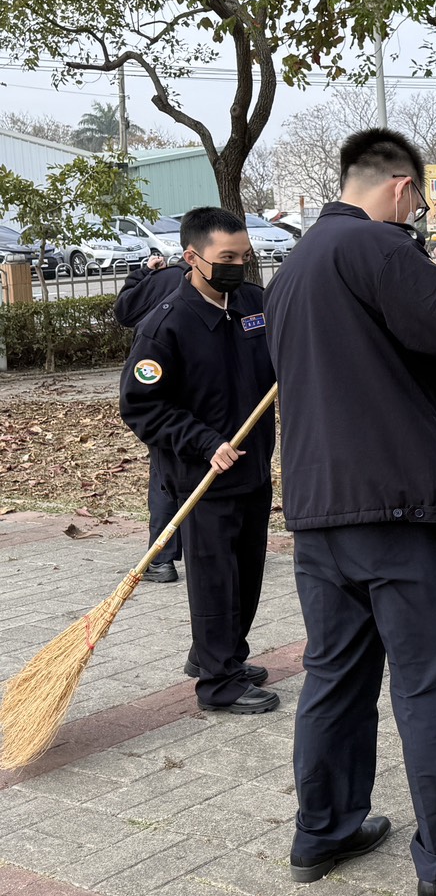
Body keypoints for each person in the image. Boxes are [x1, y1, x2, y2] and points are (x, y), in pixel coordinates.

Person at [265, 128, 436, 896]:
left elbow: (358, 371)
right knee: (430, 679)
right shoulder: (379, 248)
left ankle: (323, 829)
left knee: (334, 675)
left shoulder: (293, 267)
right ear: (402, 187)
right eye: (420, 201)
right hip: (394, 513)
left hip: (318, 508)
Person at [119, 208, 277, 714]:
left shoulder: (255, 303)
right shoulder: (167, 324)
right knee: (214, 579)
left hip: (252, 466)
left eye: (244, 257)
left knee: (247, 573)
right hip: (202, 475)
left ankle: (221, 654)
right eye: (226, 258)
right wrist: (205, 442)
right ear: (193, 258)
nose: (237, 266)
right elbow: (142, 406)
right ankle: (218, 684)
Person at [114, 254, 189, 584]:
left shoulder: (164, 278)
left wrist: (143, 273)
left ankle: (161, 558)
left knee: (165, 473)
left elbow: (124, 310)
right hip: (209, 393)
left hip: (165, 390)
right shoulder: (231, 287)